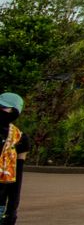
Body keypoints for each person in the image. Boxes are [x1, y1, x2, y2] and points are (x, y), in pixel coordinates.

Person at [0, 93, 26, 225]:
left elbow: (17, 176)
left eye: (4, 107)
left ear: (15, 111)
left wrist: (12, 209)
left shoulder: (19, 138)